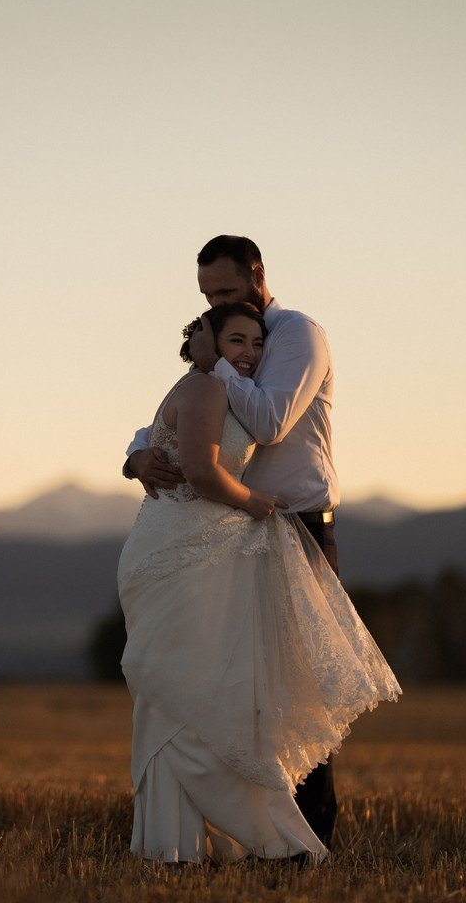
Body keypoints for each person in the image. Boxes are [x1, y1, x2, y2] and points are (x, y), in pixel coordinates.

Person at [118, 247, 400, 865]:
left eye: (224, 292)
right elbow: (179, 415)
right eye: (208, 297)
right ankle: (250, 835)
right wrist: (136, 456)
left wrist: (218, 361)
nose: (213, 305)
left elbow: (270, 421)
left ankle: (308, 837)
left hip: (294, 522)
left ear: (258, 277)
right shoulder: (224, 348)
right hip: (228, 533)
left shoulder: (294, 336)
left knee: (302, 686)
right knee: (240, 687)